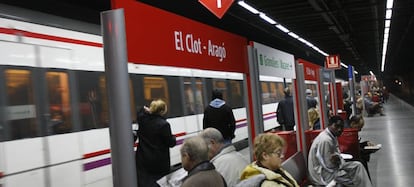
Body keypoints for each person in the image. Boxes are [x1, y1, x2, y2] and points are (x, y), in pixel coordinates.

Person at [308, 115, 372, 187]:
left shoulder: (332, 136)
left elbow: (337, 154)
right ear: (329, 125)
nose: (339, 129)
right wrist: (339, 163)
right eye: (336, 126)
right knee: (355, 179)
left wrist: (337, 158)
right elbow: (328, 165)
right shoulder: (325, 140)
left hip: (332, 167)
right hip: (322, 174)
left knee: (358, 165)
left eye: (341, 127)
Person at [135, 99, 176, 187]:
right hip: (158, 161)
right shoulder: (164, 124)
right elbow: (170, 143)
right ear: (161, 111)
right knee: (159, 182)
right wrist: (173, 138)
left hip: (143, 158)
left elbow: (140, 111)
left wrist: (147, 110)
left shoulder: (143, 120)